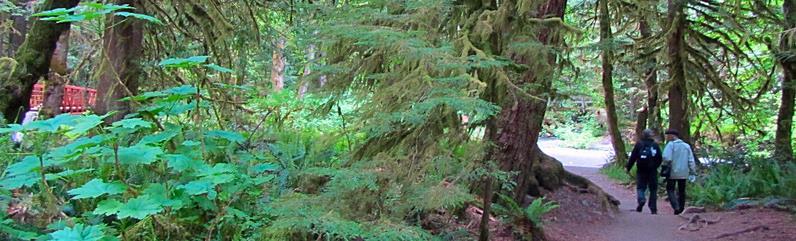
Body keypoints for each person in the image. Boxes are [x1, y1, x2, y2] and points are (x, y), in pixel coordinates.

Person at [626, 129, 663, 214]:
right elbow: (659, 158)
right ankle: (653, 208)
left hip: (641, 169)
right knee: (653, 189)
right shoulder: (655, 145)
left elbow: (633, 157)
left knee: (640, 187)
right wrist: (655, 166)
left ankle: (641, 199)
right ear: (651, 136)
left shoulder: (639, 144)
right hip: (652, 171)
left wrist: (628, 168)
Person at [661, 129, 697, 215]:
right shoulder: (686, 146)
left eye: (668, 135)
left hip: (672, 172)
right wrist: (693, 171)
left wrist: (665, 164)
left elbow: (666, 157)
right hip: (684, 172)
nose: (667, 137)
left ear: (672, 136)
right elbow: (691, 160)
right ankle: (681, 208)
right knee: (682, 190)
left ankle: (676, 207)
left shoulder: (670, 145)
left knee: (670, 189)